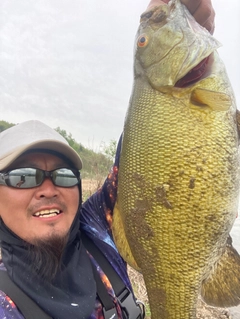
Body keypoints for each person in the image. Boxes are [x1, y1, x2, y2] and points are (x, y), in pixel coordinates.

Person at [0, 1, 215, 318]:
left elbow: (147, 157)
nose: (47, 188)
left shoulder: (95, 229)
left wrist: (173, 34)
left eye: (63, 174)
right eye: (23, 176)